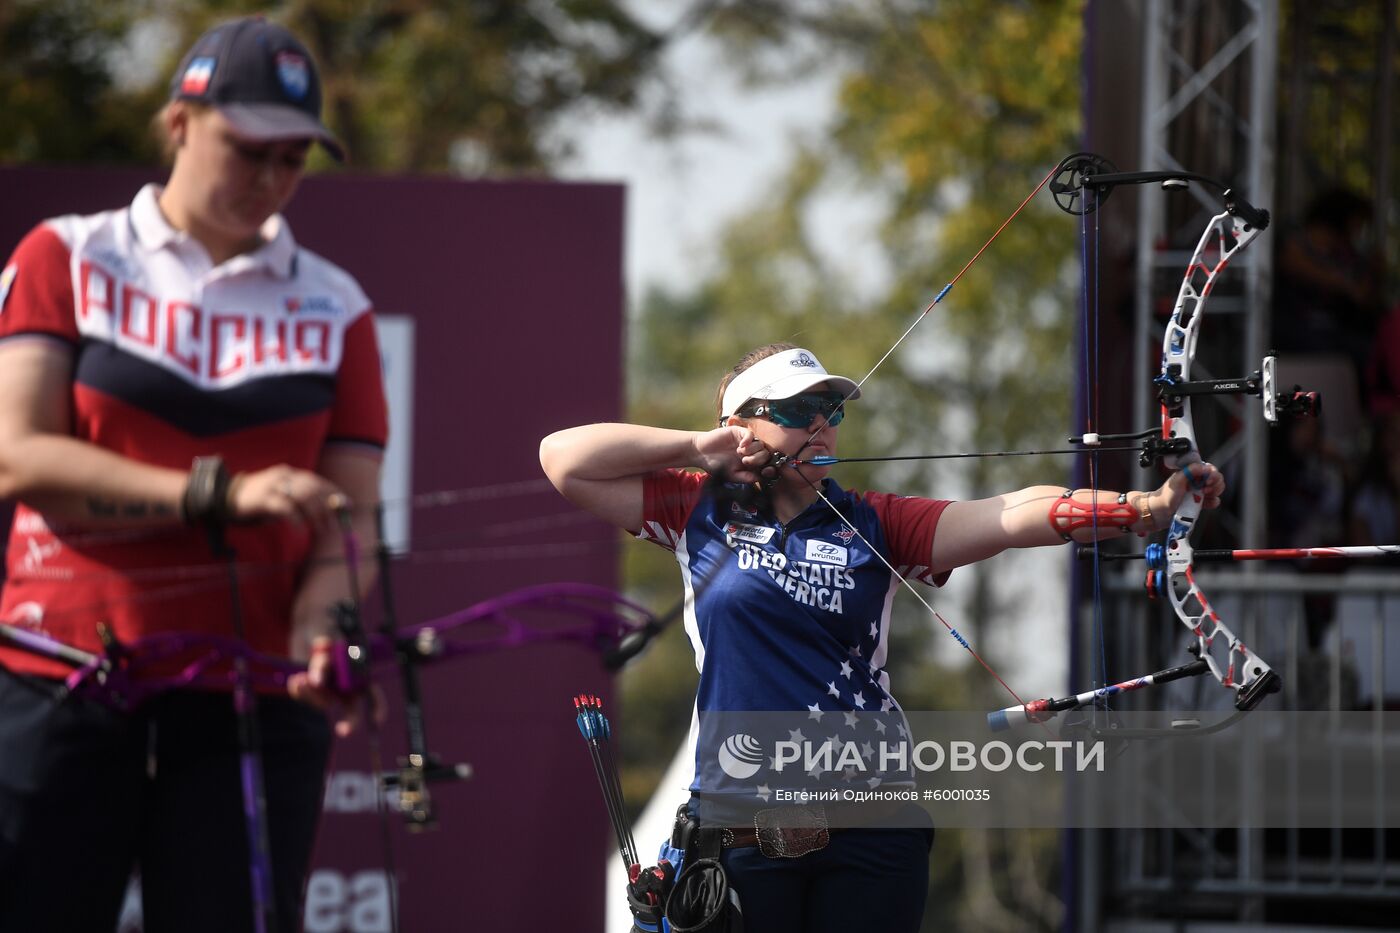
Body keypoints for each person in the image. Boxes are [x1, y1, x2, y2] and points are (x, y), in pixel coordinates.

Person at [539, 342, 1225, 933]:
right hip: (741, 828)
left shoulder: (875, 523)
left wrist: (1144, 507)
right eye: (796, 410)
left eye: (830, 409)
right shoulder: (699, 509)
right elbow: (563, 458)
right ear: (740, 426)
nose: (821, 423)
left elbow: (1010, 513)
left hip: (872, 828)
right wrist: (695, 447)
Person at [0, 17, 387, 932]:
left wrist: (320, 630)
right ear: (180, 121)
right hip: (63, 677)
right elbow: (17, 454)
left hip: (252, 699)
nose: (271, 177)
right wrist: (218, 493)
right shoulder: (67, 254)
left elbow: (353, 517)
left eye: (292, 158)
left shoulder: (336, 303)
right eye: (249, 148)